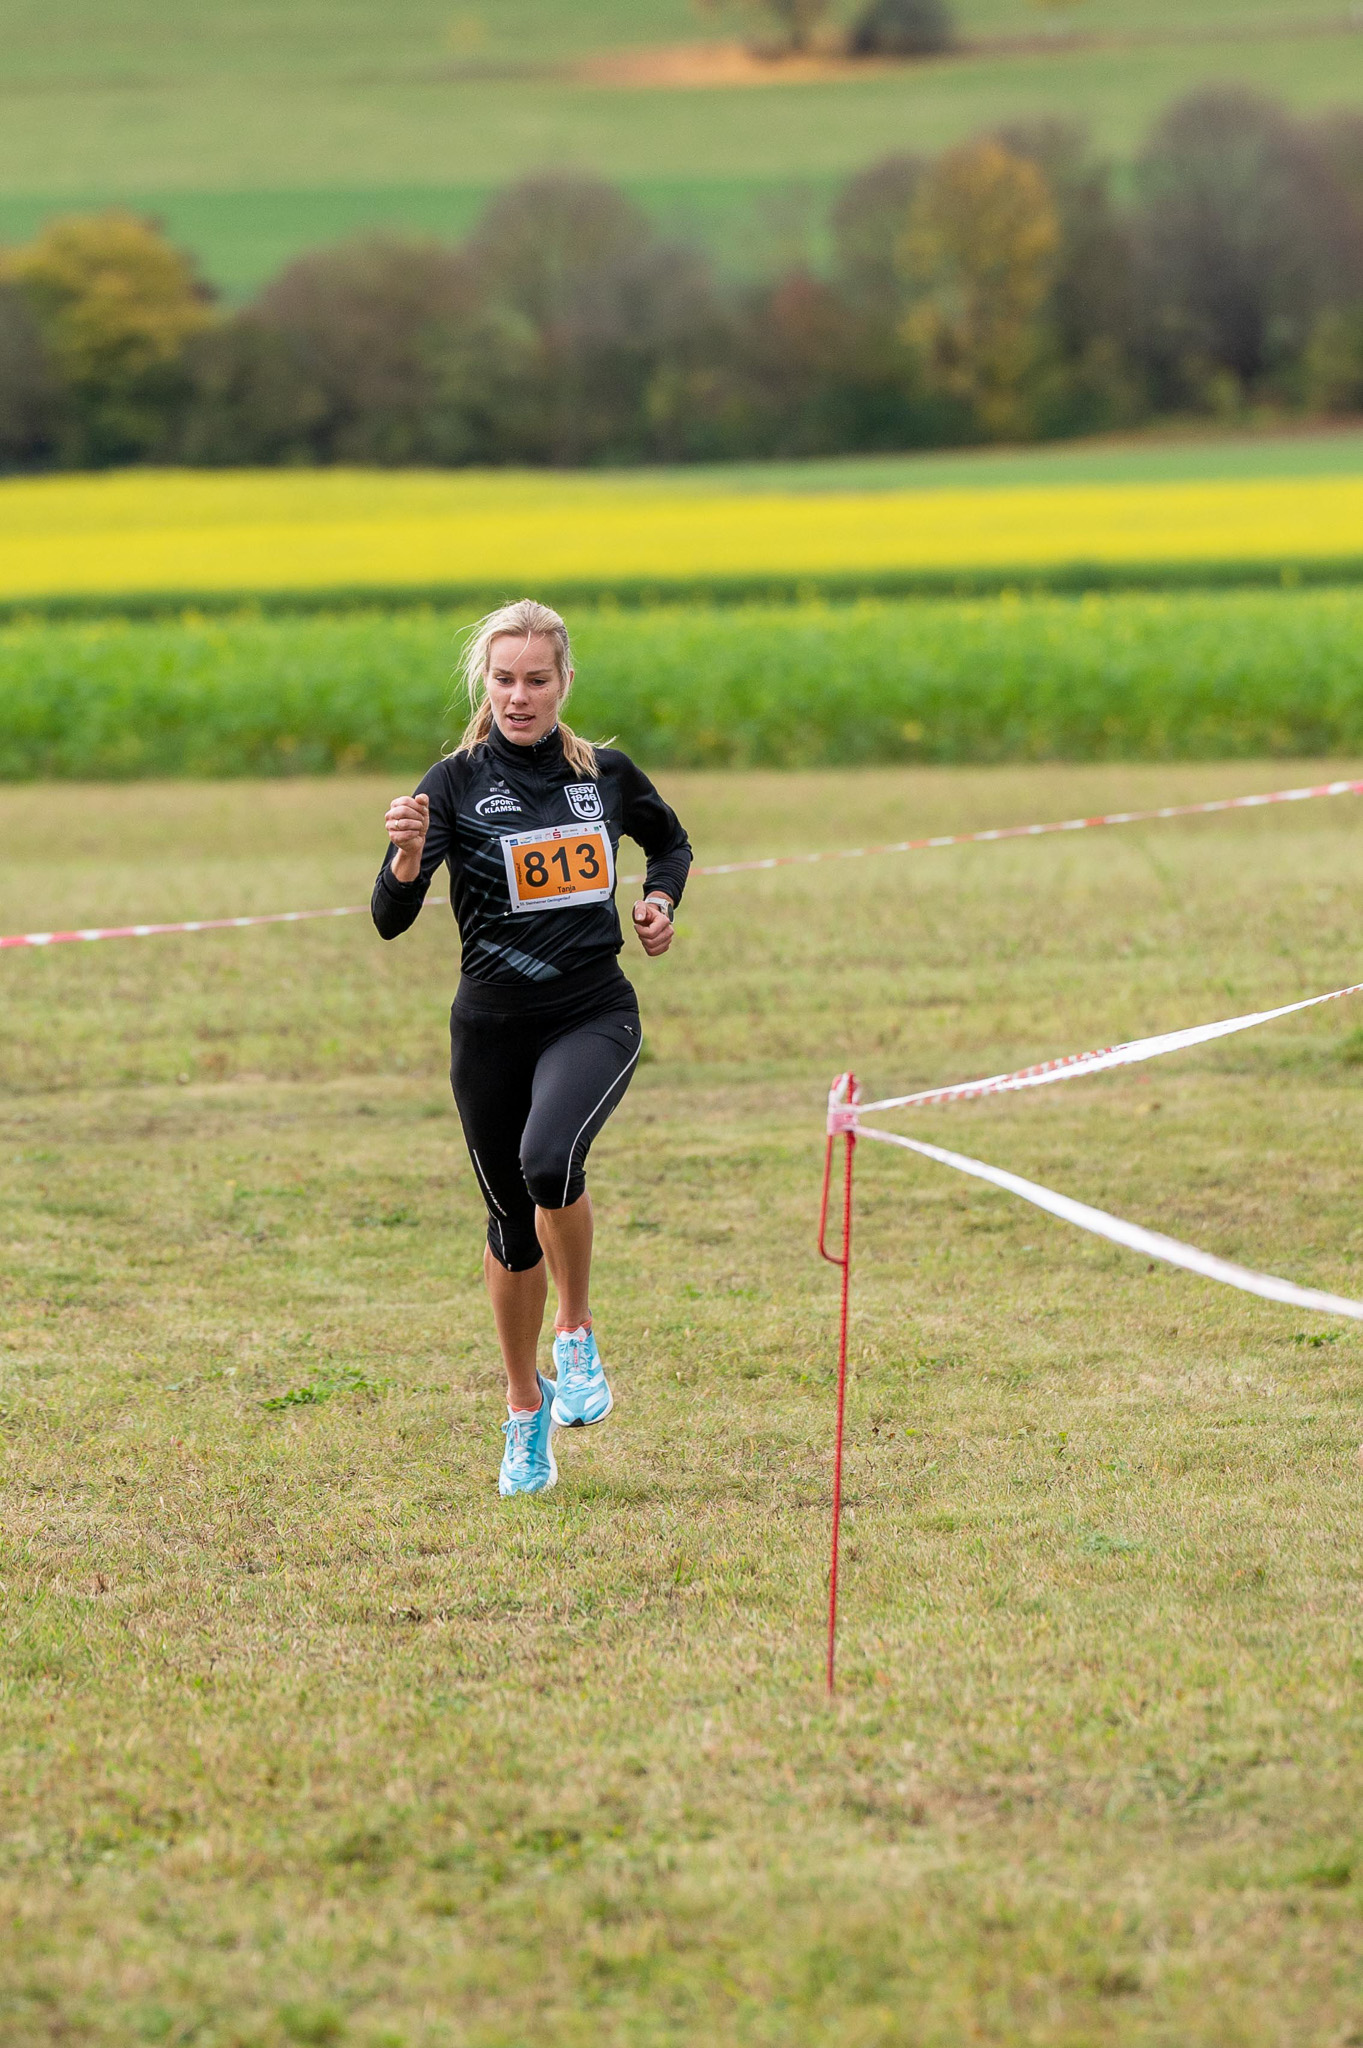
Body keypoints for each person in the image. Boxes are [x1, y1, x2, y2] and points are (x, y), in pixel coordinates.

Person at [372, 599, 692, 1497]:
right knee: (511, 1229)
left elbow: (670, 843)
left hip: (592, 1011)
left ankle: (575, 1334)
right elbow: (390, 918)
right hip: (489, 1030)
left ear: (564, 683)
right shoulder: (452, 783)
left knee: (549, 1161)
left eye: (536, 680)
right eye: (504, 680)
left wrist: (659, 901)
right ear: (486, 683)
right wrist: (405, 859)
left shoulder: (608, 775)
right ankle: (525, 1411)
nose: (518, 696)